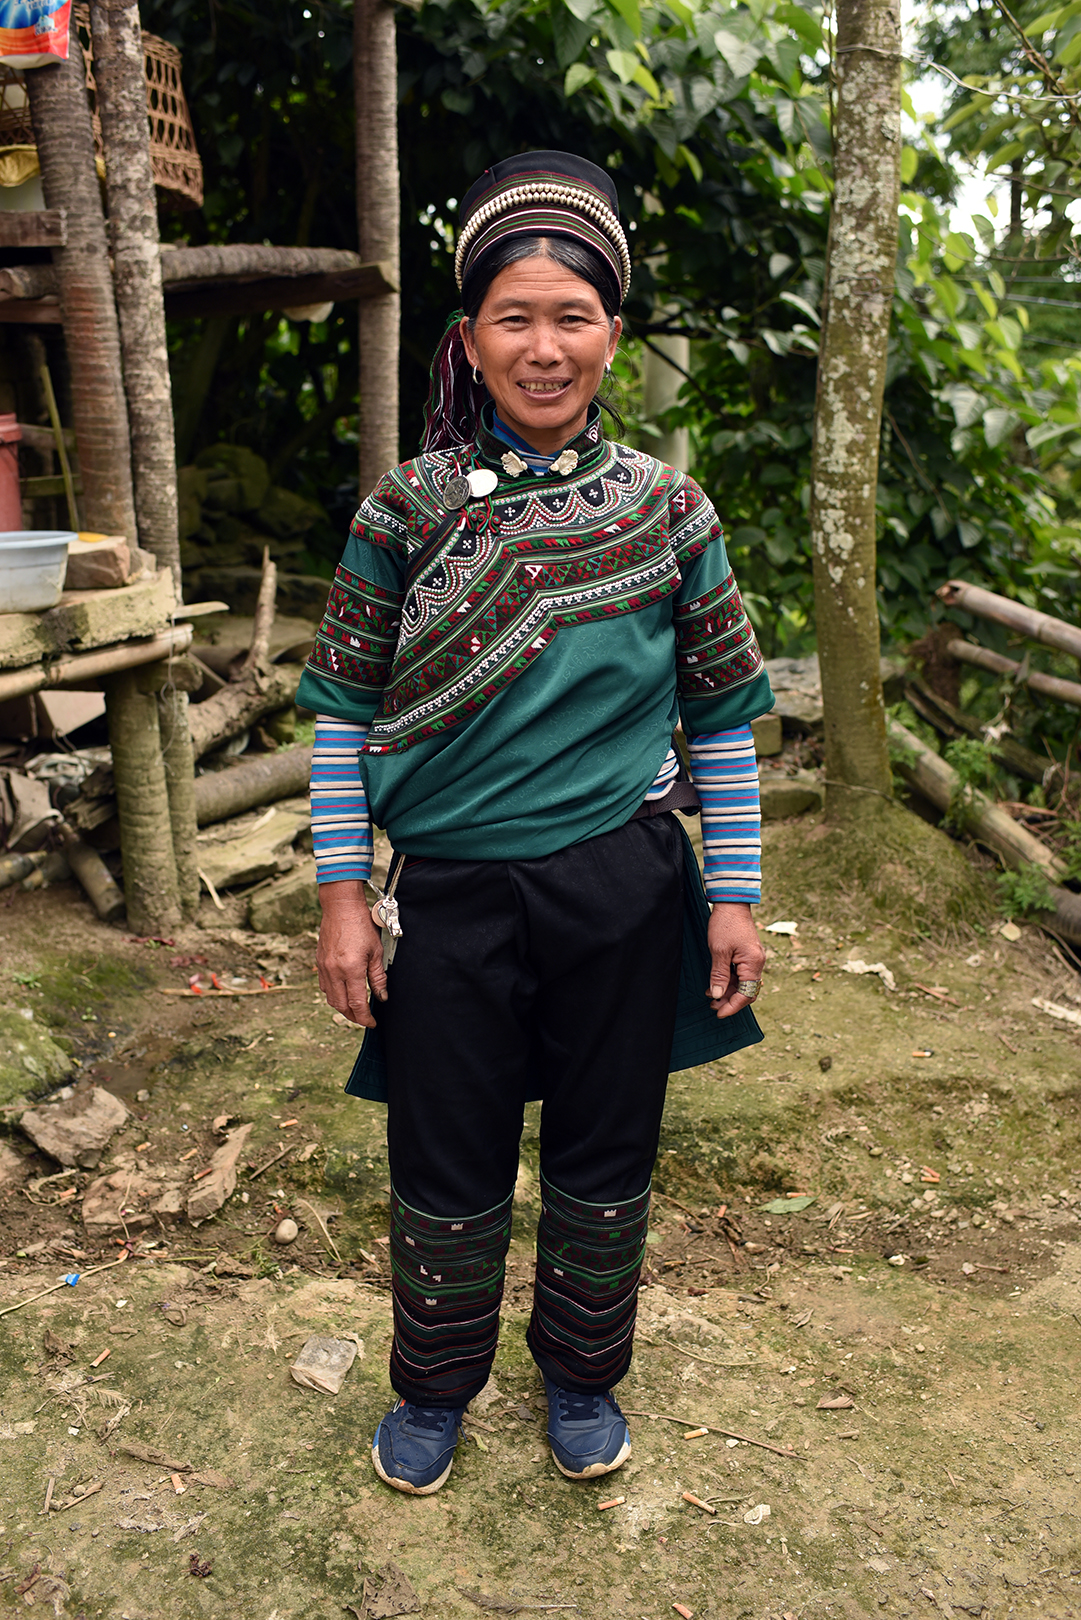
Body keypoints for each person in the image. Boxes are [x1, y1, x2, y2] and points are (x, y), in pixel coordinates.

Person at [296, 151, 774, 1497]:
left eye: (572, 317)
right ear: (470, 338)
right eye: (516, 317)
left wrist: (728, 891)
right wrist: (342, 896)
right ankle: (436, 1389)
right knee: (441, 1145)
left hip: (621, 888)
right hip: (445, 896)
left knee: (606, 1140)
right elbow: (337, 711)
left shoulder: (670, 513)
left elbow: (722, 720)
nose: (545, 346)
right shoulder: (405, 511)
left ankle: (580, 1376)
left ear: (611, 335)